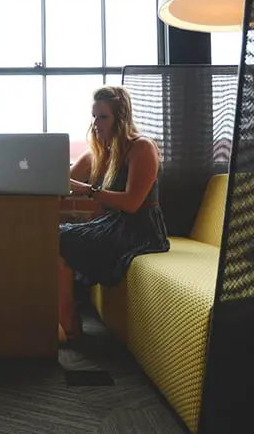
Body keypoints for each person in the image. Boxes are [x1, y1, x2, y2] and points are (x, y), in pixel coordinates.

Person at [59, 86, 170, 340]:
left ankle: (68, 324)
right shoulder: (97, 153)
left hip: (140, 229)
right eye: (94, 116)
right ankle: (68, 321)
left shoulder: (141, 148)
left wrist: (89, 191)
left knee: (60, 238)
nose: (96, 123)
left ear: (120, 119)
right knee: (53, 238)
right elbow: (62, 183)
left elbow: (132, 203)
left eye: (103, 117)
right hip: (111, 224)